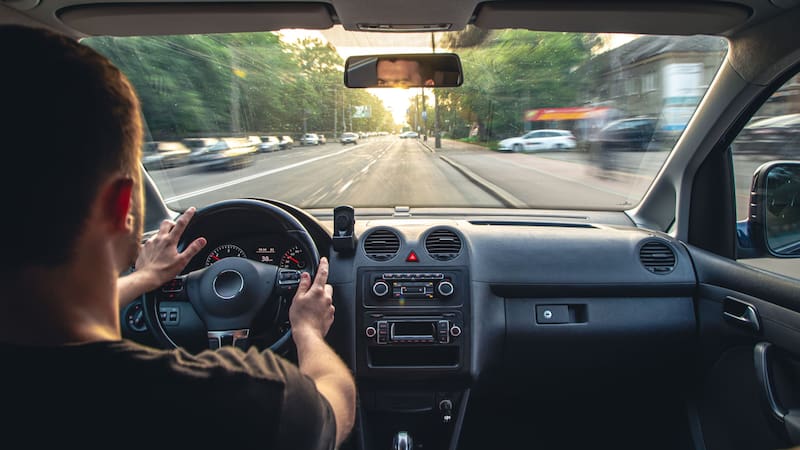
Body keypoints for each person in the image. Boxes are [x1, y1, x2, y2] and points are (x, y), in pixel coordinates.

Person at [0, 24, 356, 449]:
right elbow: (334, 402)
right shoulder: (242, 403)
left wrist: (145, 280)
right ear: (121, 206)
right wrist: (308, 330)